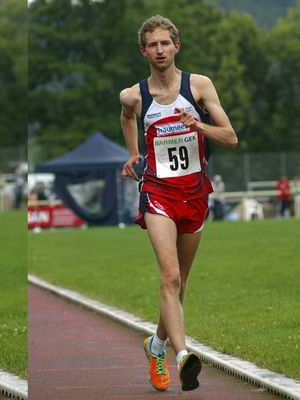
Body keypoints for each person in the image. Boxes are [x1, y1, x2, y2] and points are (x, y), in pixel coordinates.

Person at [119, 15, 238, 392]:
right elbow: (126, 116)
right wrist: (133, 153)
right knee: (169, 276)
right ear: (143, 51)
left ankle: (156, 346)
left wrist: (197, 125)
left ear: (176, 46)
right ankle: (183, 355)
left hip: (195, 194)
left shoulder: (199, 86)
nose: (159, 50)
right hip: (158, 194)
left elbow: (231, 138)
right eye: (152, 45)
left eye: (164, 43)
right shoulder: (133, 95)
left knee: (180, 283)